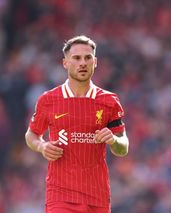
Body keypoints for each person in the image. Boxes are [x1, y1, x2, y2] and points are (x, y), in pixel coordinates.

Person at [25, 35, 129, 213]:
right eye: (77, 58)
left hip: (98, 197)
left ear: (95, 62)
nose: (83, 63)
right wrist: (42, 146)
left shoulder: (109, 101)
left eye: (88, 58)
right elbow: (32, 135)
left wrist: (113, 139)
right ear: (65, 63)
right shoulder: (48, 100)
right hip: (61, 196)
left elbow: (123, 148)